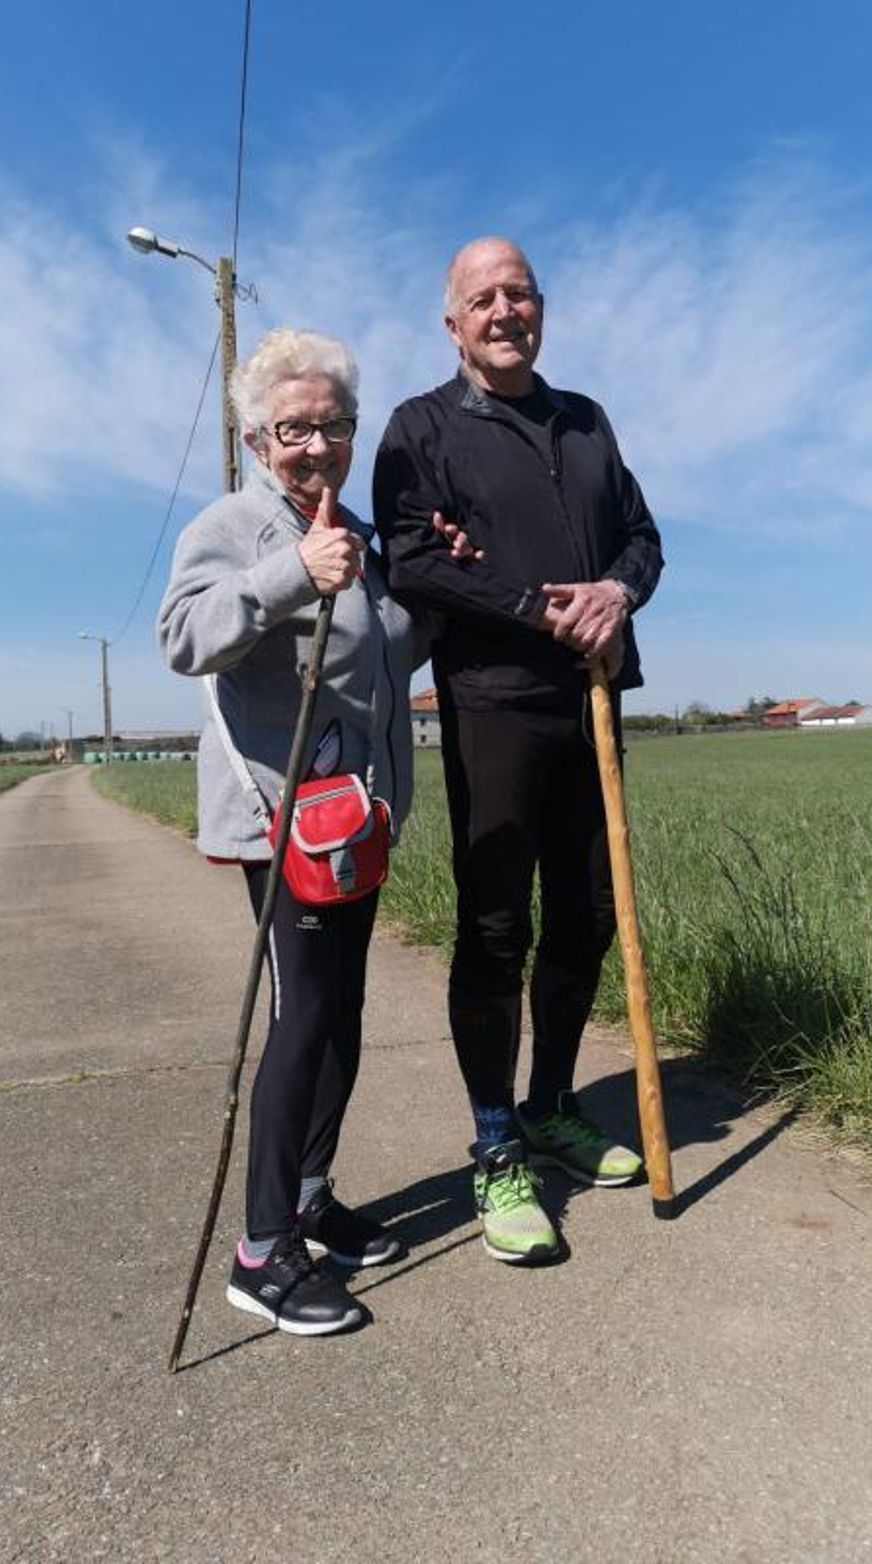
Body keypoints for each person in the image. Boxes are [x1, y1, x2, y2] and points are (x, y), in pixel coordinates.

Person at [159, 327, 474, 1336]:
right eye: (291, 429)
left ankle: (308, 1194)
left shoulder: (367, 538)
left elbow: (383, 656)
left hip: (359, 820)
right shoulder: (232, 528)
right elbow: (183, 637)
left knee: (340, 1013)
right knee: (303, 1017)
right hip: (282, 815)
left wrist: (432, 594)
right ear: (258, 440)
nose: (313, 445)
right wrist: (291, 572)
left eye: (331, 426)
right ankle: (259, 1252)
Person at [373, 236, 664, 1264]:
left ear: (541, 309)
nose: (505, 311)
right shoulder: (419, 430)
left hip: (592, 702)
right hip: (493, 704)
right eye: (482, 298)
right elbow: (407, 559)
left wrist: (613, 593)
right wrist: (540, 610)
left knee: (585, 913)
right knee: (496, 922)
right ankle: (495, 1142)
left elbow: (642, 538)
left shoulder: (584, 420)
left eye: (520, 294)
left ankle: (550, 1108)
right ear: (452, 322)